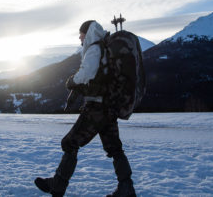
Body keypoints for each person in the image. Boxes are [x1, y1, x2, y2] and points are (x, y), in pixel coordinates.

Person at [35, 20, 137, 197]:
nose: (79, 37)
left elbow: (86, 74)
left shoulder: (94, 48)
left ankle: (58, 185)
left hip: (96, 107)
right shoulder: (105, 48)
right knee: (114, 148)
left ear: (88, 33)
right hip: (109, 107)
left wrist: (72, 81)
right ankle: (126, 188)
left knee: (70, 142)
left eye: (81, 33)